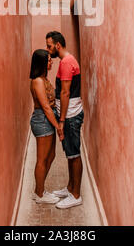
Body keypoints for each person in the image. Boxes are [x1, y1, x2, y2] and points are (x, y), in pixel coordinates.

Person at [46, 31, 84, 209]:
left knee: (74, 155)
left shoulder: (67, 62)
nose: (49, 49)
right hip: (68, 115)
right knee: (70, 154)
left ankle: (76, 195)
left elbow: (65, 92)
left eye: (49, 46)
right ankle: (70, 188)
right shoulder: (65, 61)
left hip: (70, 116)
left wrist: (61, 120)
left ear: (58, 45)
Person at [29, 49, 63, 204]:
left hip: (48, 119)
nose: (51, 62)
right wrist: (58, 126)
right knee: (42, 160)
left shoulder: (44, 79)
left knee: (51, 156)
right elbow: (46, 107)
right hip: (42, 120)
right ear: (42, 62)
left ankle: (40, 190)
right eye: (49, 60)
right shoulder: (37, 81)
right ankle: (40, 194)